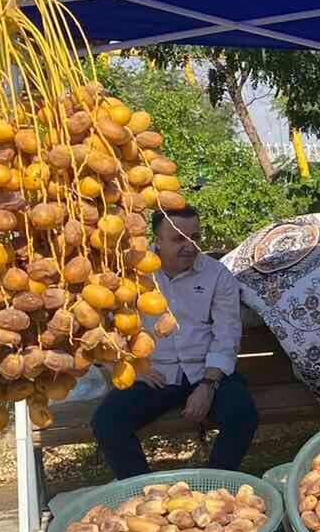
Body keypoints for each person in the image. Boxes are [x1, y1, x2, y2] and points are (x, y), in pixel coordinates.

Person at [91, 205, 258, 479]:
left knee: (242, 416)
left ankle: (214, 487)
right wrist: (128, 366)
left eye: (195, 237)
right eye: (179, 239)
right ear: (157, 241)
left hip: (205, 371)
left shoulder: (217, 275)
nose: (189, 246)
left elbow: (226, 335)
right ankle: (142, 494)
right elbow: (104, 329)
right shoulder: (132, 275)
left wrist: (208, 384)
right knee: (107, 423)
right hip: (155, 375)